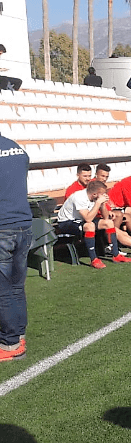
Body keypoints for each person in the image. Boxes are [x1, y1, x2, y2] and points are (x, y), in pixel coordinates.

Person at [0, 132, 31, 361]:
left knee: (3, 290)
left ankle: (9, 344)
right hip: (23, 225)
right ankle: (18, 335)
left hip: (2, 227)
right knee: (17, 286)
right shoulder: (17, 148)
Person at [56, 181, 131, 269]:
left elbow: (105, 217)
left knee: (108, 223)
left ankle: (116, 255)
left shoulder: (94, 197)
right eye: (102, 193)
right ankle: (94, 259)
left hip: (81, 220)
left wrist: (102, 204)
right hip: (67, 222)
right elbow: (88, 219)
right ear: (94, 194)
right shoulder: (79, 197)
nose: (104, 195)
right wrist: (97, 203)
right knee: (90, 225)